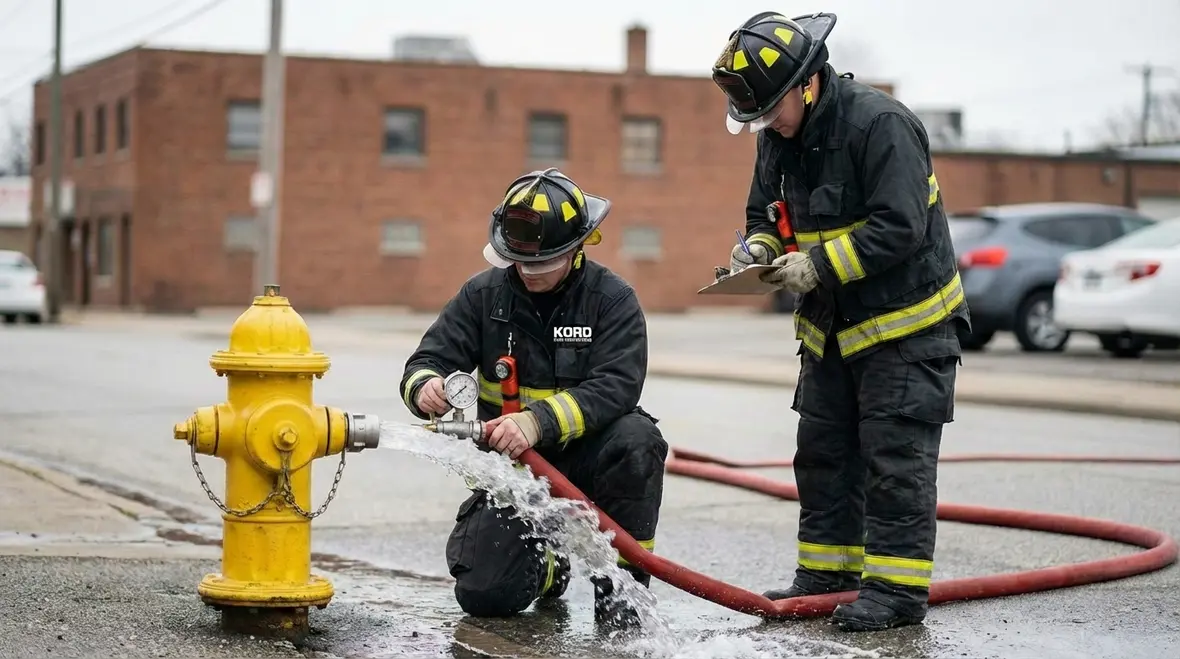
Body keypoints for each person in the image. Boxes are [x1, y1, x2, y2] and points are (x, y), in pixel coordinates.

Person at [710, 12, 971, 632]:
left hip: (906, 331)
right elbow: (763, 213)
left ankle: (896, 593)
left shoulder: (881, 125)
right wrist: (759, 250)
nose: (765, 125)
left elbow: (900, 227)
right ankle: (827, 577)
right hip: (830, 331)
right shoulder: (776, 133)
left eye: (772, 110)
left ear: (807, 84)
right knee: (823, 456)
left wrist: (817, 267)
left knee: (894, 461)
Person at [398, 167, 668, 627]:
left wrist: (536, 421)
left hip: (589, 463)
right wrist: (426, 387)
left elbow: (616, 386)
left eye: (543, 263)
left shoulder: (611, 300)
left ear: (578, 248)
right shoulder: (483, 296)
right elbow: (425, 360)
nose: (530, 273)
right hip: (515, 476)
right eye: (520, 263)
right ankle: (549, 567)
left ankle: (622, 597)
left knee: (638, 441)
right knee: (485, 594)